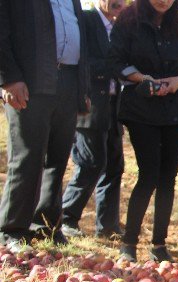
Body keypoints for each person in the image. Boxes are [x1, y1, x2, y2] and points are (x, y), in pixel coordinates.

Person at [108, 0, 178, 262]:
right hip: (141, 109)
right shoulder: (128, 21)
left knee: (168, 178)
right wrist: (143, 79)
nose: (163, 1)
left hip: (177, 109)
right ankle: (129, 243)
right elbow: (115, 60)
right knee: (148, 175)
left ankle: (159, 244)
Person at [0, 0, 89, 252]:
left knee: (58, 159)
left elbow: (81, 39)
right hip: (29, 80)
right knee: (27, 157)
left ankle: (46, 225)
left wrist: (83, 88)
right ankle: (12, 230)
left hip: (68, 81)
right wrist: (8, 78)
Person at [61, 0, 127, 240]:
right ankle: (66, 217)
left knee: (114, 166)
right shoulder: (87, 20)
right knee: (91, 162)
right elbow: (81, 60)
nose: (120, 3)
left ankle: (107, 226)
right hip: (90, 104)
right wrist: (114, 66)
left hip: (113, 105)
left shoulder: (120, 28)